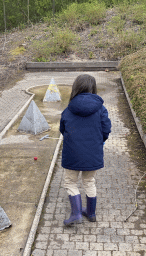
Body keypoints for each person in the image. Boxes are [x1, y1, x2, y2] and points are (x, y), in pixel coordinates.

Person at [59, 74, 111, 226]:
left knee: (70, 182)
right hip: (93, 153)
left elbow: (63, 129)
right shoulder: (101, 109)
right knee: (89, 181)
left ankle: (76, 214)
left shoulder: (68, 109)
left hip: (72, 154)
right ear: (93, 88)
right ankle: (91, 212)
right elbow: (106, 130)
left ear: (76, 88)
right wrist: (97, 143)